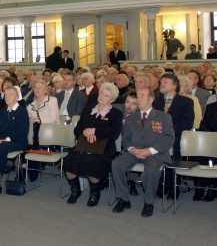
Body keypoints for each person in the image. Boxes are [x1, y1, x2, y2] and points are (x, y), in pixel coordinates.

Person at [111, 88, 175, 217]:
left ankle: (149, 202)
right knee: (116, 164)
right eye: (138, 96)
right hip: (134, 152)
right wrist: (132, 149)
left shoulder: (163, 117)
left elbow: (169, 138)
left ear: (151, 99)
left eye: (142, 96)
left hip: (155, 153)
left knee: (151, 171)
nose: (138, 98)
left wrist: (150, 151)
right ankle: (124, 199)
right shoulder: (132, 118)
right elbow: (126, 138)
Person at [63, 82, 123, 206]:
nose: (101, 96)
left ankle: (94, 193)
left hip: (104, 147)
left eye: (106, 95)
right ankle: (75, 190)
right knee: (69, 159)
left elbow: (114, 133)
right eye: (101, 93)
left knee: (91, 161)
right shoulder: (88, 109)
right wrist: (84, 131)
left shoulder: (115, 113)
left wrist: (95, 131)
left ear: (112, 100)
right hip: (84, 144)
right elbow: (77, 130)